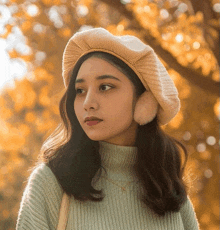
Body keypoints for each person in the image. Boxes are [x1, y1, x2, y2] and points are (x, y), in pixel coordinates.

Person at [16, 27, 200, 229]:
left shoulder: (168, 188)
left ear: (144, 102)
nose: (88, 102)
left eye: (105, 87)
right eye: (80, 90)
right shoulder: (50, 182)